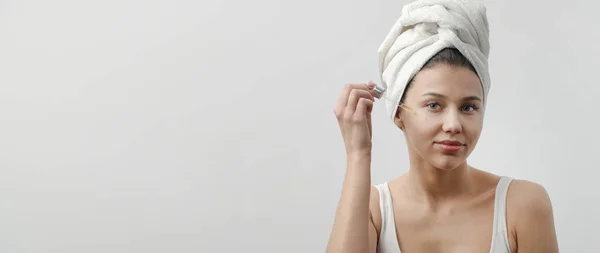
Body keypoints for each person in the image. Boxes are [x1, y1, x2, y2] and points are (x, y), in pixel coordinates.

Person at [325, 1, 559, 253]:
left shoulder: (522, 206)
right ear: (398, 113)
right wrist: (358, 154)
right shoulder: (372, 209)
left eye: (468, 107)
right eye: (434, 105)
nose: (453, 125)